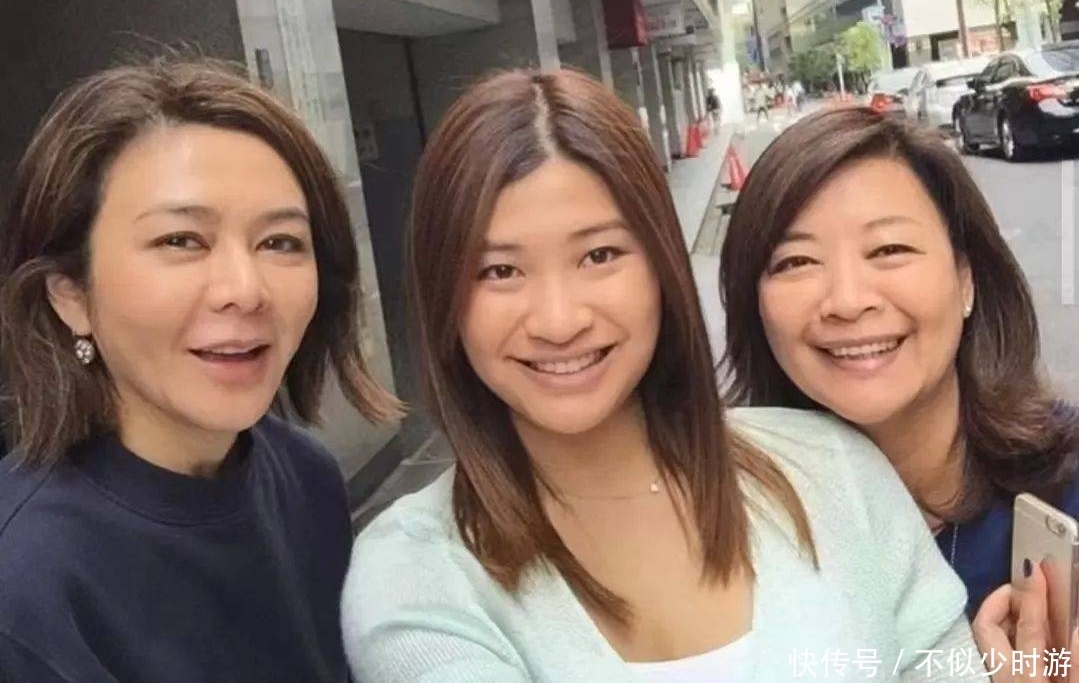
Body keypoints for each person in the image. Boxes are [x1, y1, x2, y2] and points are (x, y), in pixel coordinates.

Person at [341, 69, 980, 683]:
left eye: (600, 255)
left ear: (662, 267)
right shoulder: (413, 572)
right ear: (444, 300)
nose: (559, 321)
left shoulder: (834, 466)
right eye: (500, 271)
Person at [0, 58, 399, 681]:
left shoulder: (305, 476)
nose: (245, 290)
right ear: (70, 295)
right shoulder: (25, 582)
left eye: (280, 243)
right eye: (181, 241)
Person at [718, 107, 1079, 621]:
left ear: (966, 279)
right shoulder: (722, 522)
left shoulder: (1066, 481)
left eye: (889, 249)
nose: (847, 301)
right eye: (797, 262)